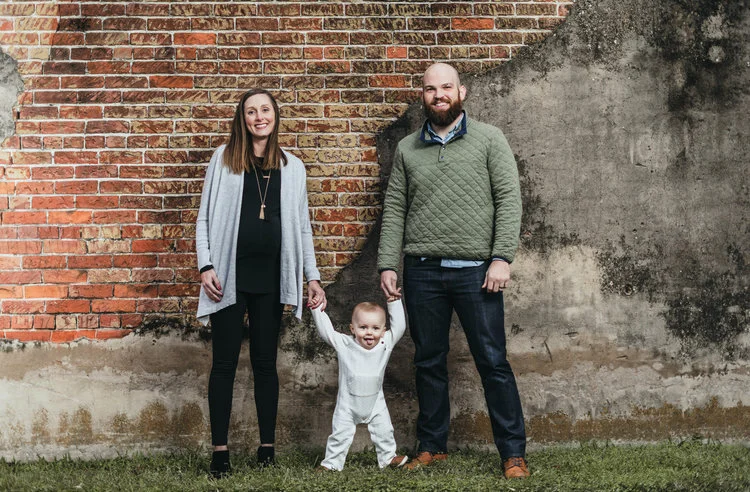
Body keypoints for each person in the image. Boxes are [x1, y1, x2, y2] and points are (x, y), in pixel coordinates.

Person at [377, 63, 529, 479]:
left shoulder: (489, 139)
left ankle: (513, 453)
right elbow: (394, 210)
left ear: (461, 91)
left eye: (446, 87)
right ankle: (433, 445)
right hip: (422, 271)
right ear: (422, 96)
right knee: (428, 360)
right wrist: (389, 263)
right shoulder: (408, 148)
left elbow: (508, 200)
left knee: (492, 361)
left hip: (476, 271)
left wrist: (502, 257)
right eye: (430, 89)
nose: (438, 95)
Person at [195, 88, 326, 478]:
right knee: (224, 365)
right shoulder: (224, 160)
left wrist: (312, 276)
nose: (258, 117)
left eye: (265, 110)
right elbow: (203, 218)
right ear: (243, 118)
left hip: (271, 280)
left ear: (275, 116)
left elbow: (302, 227)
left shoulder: (293, 166)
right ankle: (221, 453)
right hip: (228, 279)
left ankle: (266, 449)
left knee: (266, 364)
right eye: (251, 111)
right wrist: (206, 266)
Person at [311, 298, 408, 471]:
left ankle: (388, 458)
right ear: (352, 329)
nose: (369, 333)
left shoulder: (386, 343)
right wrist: (317, 309)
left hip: (376, 403)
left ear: (383, 330)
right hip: (348, 404)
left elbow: (400, 327)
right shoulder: (345, 344)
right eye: (363, 327)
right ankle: (331, 464)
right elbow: (327, 332)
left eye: (375, 328)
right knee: (340, 435)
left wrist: (394, 302)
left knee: (385, 431)